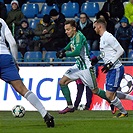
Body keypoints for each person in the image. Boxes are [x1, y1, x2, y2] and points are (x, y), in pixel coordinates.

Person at [0, 18, 54, 127]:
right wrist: (15, 61)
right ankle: (45, 114)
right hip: (5, 57)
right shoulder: (1, 21)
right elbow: (13, 43)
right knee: (22, 89)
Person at [56, 19, 113, 114]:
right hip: (78, 66)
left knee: (95, 91)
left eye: (68, 29)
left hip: (86, 68)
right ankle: (70, 106)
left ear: (74, 28)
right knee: (62, 82)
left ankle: (112, 101)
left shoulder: (79, 37)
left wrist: (64, 54)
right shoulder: (74, 36)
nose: (66, 32)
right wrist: (63, 50)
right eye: (65, 30)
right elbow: (71, 44)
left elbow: (77, 51)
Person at [92, 18, 128, 117]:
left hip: (116, 68)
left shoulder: (108, 37)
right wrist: (97, 58)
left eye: (95, 27)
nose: (94, 29)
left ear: (99, 26)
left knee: (109, 95)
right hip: (111, 69)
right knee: (112, 93)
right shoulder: (102, 38)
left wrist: (110, 64)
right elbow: (106, 53)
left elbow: (120, 50)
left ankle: (124, 112)